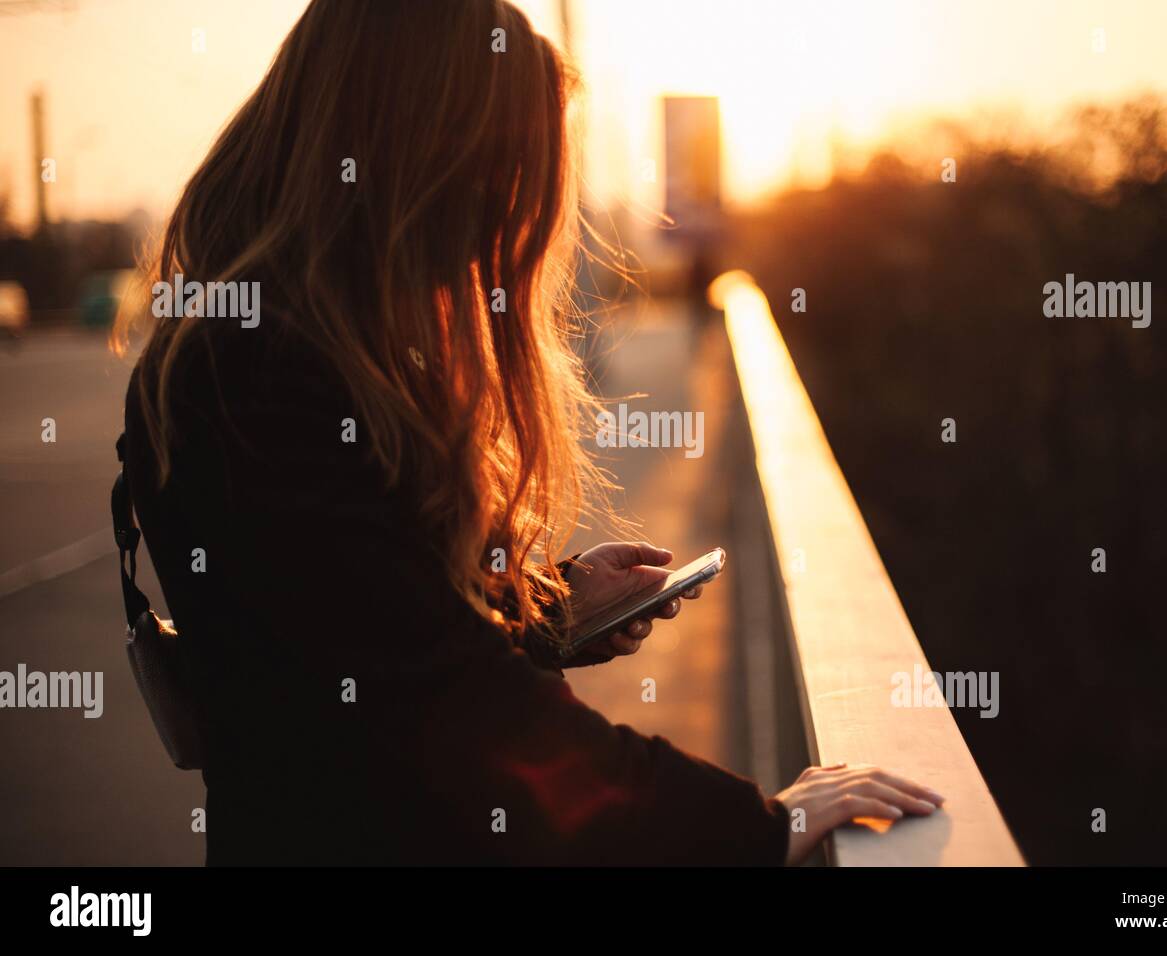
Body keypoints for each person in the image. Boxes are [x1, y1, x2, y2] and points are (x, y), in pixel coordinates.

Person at [113, 0, 943, 865]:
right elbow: (446, 706)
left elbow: (364, 635)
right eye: (499, 175)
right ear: (417, 160)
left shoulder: (273, 349)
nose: (501, 223)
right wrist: (756, 826)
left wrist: (548, 607)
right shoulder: (253, 375)